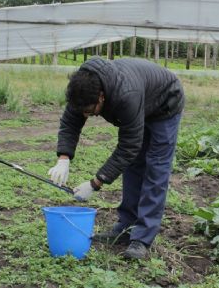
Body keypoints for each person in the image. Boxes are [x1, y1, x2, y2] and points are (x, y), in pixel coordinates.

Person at [48, 57, 184, 260]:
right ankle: (126, 227)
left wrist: (95, 183)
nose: (87, 115)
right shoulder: (82, 88)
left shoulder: (126, 95)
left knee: (155, 169)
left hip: (165, 103)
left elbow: (128, 146)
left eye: (90, 111)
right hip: (140, 100)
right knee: (133, 166)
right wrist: (63, 158)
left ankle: (142, 238)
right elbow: (70, 122)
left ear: (101, 97)